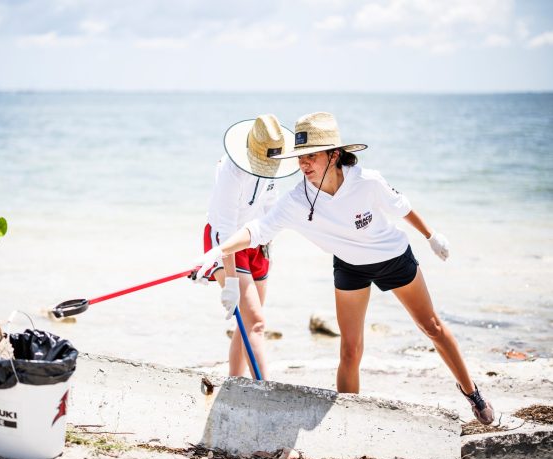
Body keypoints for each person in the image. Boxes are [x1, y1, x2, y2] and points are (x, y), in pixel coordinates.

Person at [193, 112, 495, 425]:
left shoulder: (367, 182)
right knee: (350, 350)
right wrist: (217, 252)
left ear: (334, 154)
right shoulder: (297, 200)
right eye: (300, 157)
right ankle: (349, 420)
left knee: (431, 327)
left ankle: (472, 392)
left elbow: (402, 208)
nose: (304, 164)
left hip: (392, 257)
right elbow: (257, 230)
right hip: (350, 267)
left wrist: (431, 237)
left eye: (311, 156)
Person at [193, 115, 298, 380]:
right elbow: (226, 231)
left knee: (247, 325)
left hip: (256, 241)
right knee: (257, 323)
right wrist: (229, 282)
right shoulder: (231, 171)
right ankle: (265, 391)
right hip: (226, 242)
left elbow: (270, 205)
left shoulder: (272, 160)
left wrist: (266, 244)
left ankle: (234, 386)